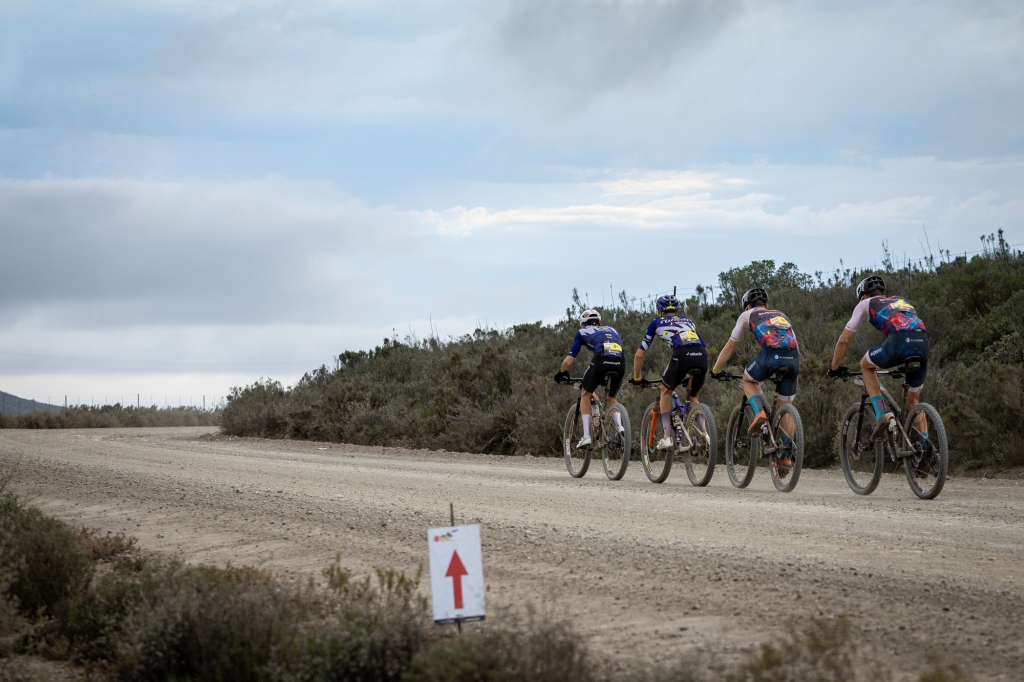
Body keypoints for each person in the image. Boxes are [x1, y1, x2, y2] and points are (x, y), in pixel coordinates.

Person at [828, 275, 929, 440]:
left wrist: (834, 368)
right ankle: (925, 447)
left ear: (864, 296)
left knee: (866, 365)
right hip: (922, 343)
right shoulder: (902, 301)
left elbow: (844, 341)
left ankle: (882, 414)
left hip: (898, 341)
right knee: (913, 402)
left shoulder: (865, 304)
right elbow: (910, 325)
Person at [711, 288, 800, 449]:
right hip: (793, 359)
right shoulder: (781, 315)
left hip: (770, 355)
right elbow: (795, 344)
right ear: (766, 305)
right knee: (785, 408)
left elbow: (729, 347)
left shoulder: (747, 315)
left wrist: (716, 370)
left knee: (748, 379)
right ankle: (786, 457)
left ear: (747, 306)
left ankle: (760, 413)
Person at [631, 294, 708, 450]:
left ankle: (667, 437)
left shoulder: (656, 323)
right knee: (693, 397)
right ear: (677, 309)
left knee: (665, 391)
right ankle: (706, 433)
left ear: (660, 310)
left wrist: (637, 377)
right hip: (702, 355)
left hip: (681, 355)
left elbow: (640, 354)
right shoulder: (688, 320)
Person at [554, 309, 626, 448]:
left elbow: (568, 362)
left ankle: (587, 436)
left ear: (583, 324)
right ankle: (621, 428)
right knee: (611, 397)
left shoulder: (582, 332)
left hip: (601, 359)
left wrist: (561, 372)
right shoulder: (613, 330)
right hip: (620, 362)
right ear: (600, 323)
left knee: (586, 393)